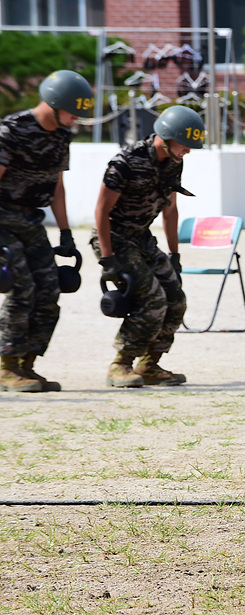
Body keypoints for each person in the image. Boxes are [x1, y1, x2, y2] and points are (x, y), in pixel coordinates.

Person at [91, 105, 202, 388]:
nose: (188, 150)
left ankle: (150, 365)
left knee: (176, 299)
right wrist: (107, 260)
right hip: (115, 239)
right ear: (166, 136)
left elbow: (170, 209)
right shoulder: (125, 162)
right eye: (186, 144)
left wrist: (174, 255)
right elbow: (101, 212)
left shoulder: (174, 162)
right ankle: (121, 364)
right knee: (152, 299)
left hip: (142, 238)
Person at [0, 70, 93, 393]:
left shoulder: (61, 135)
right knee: (23, 287)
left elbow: (57, 186)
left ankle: (27, 364)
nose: (76, 120)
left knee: (50, 288)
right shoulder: (11, 131)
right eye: (73, 113)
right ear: (54, 104)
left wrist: (65, 233)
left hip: (31, 220)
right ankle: (6, 365)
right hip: (3, 219)